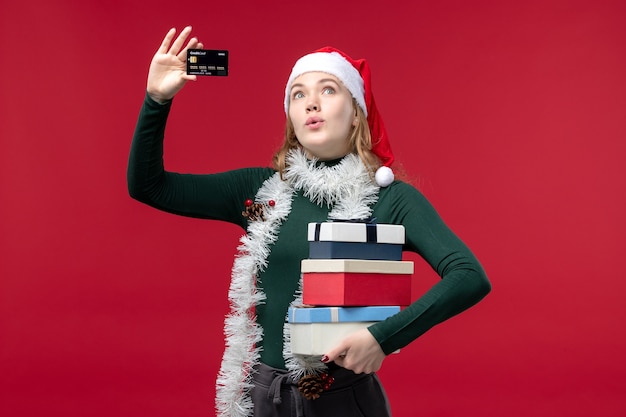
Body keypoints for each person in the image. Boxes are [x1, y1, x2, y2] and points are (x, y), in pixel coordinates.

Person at [128, 26, 491, 417]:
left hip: (341, 401)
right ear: (291, 118)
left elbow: (469, 275)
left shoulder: (390, 199)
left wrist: (382, 339)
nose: (311, 103)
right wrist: (156, 100)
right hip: (259, 397)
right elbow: (149, 187)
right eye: (298, 94)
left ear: (356, 115)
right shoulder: (261, 191)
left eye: (328, 90)